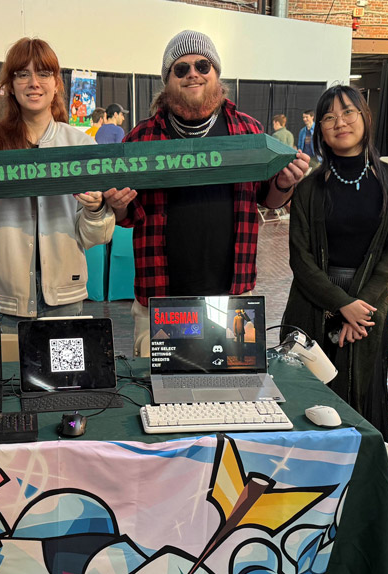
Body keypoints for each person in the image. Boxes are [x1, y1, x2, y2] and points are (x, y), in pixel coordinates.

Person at [104, 30, 310, 355]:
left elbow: (267, 200)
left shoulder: (247, 131)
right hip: (161, 298)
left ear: (216, 73)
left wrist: (284, 184)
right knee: (162, 398)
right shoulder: (141, 137)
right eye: (181, 69)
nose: (192, 75)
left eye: (202, 65)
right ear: (167, 79)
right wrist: (117, 206)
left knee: (233, 396)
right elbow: (129, 215)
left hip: (232, 299)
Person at [0, 38, 114, 331]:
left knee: (63, 377)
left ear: (56, 82)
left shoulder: (82, 145)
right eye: (23, 74)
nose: (33, 83)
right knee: (6, 378)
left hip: (65, 298)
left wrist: (96, 210)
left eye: (43, 73)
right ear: (10, 84)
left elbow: (94, 238)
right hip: (1, 299)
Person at [280, 85, 388, 442]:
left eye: (348, 112)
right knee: (307, 406)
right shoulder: (309, 189)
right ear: (319, 130)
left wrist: (360, 310)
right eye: (329, 117)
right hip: (312, 303)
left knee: (360, 401)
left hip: (368, 309)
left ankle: (360, 492)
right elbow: (300, 259)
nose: (340, 122)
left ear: (365, 118)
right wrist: (341, 305)